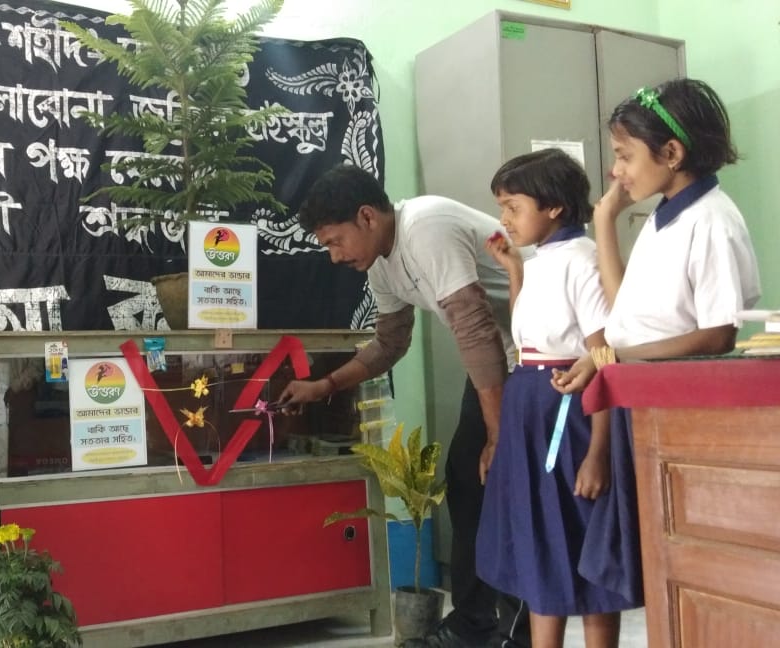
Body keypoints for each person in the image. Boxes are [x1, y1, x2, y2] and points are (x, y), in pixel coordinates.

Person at [278, 164, 530, 648]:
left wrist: (498, 433)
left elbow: (474, 328)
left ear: (367, 217)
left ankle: (517, 632)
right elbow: (390, 343)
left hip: (547, 351)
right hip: (506, 354)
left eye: (335, 241)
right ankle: (474, 624)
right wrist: (324, 385)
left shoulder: (426, 228)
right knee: (468, 478)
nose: (334, 256)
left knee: (502, 482)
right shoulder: (380, 263)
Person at [552, 79, 760, 611]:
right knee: (646, 561)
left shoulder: (711, 220)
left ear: (671, 153)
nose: (615, 171)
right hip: (641, 407)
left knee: (673, 562)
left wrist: (611, 357)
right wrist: (604, 221)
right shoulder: (665, 217)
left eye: (624, 156)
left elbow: (718, 333)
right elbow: (624, 311)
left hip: (676, 416)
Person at [475, 149, 636, 648]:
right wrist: (514, 270)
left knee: (581, 545)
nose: (505, 219)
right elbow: (531, 335)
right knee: (539, 544)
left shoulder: (584, 260)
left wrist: (598, 453)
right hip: (530, 408)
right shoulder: (539, 259)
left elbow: (604, 357)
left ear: (554, 208)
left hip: (571, 419)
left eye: (513, 206)